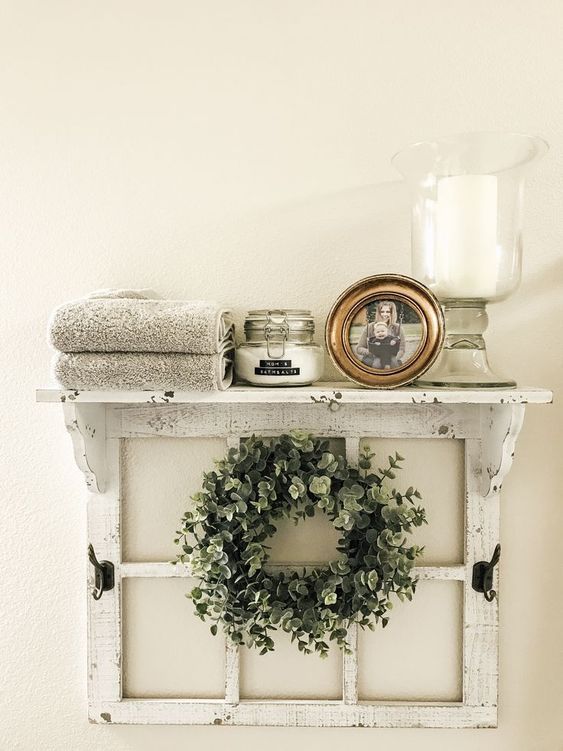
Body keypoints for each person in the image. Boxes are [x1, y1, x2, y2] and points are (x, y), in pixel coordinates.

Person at [355, 300, 405, 369]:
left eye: (388, 312)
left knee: (393, 362)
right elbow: (359, 348)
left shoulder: (397, 328)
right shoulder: (370, 327)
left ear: (392, 313)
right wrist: (371, 352)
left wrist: (394, 357)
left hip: (392, 355)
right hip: (373, 356)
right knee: (377, 364)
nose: (384, 314)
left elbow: (402, 349)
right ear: (378, 313)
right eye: (382, 311)